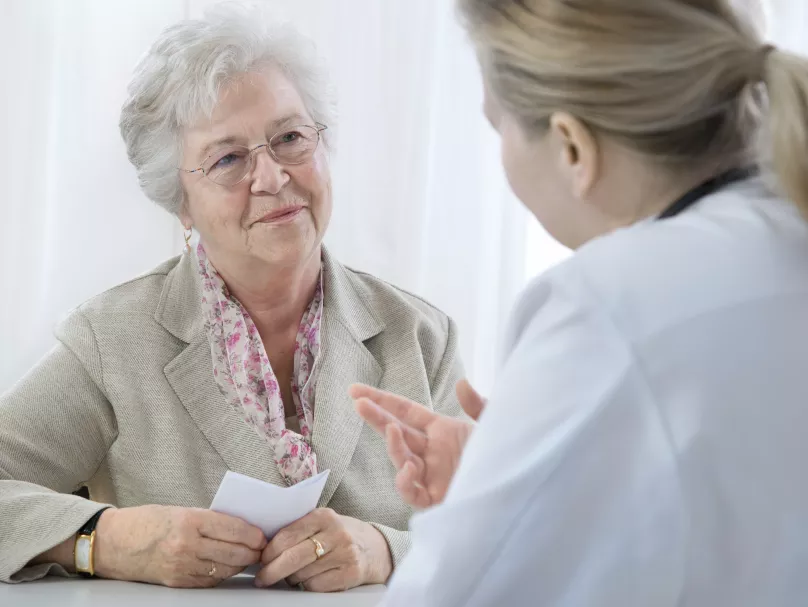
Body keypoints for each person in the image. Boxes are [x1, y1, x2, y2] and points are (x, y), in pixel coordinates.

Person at [353, 0, 808, 605]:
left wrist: (511, 503)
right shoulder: (779, 228)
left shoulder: (610, 305)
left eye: (498, 128)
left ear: (571, 146)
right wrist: (541, 488)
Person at [0, 6, 466, 591]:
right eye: (228, 158)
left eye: (290, 138)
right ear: (182, 206)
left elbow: (500, 526)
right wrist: (106, 541)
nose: (271, 177)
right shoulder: (113, 339)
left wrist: (388, 550)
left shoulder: (422, 337)